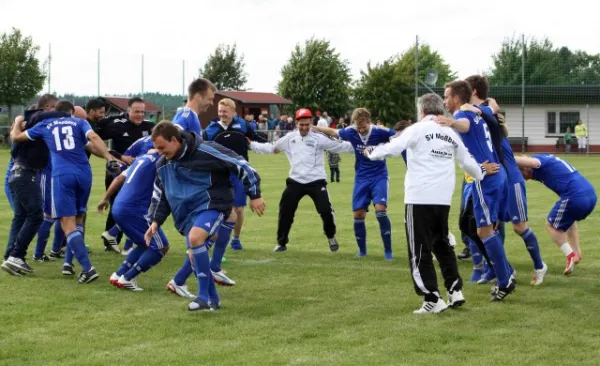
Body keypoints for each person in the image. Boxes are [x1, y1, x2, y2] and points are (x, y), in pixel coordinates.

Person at [364, 93, 497, 313]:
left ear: (422, 110)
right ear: (439, 110)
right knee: (442, 244)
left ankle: (432, 298)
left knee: (419, 249)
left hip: (419, 197)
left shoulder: (416, 129)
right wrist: (483, 170)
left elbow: (392, 147)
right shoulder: (450, 133)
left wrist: (371, 153)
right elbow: (470, 165)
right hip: (442, 198)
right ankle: (455, 290)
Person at [145, 121, 265, 311]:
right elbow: (160, 195)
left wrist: (255, 195)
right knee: (194, 255)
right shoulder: (163, 165)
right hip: (185, 213)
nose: (159, 152)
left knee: (196, 238)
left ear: (174, 140)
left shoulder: (205, 150)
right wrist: (155, 220)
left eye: (162, 147)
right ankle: (213, 300)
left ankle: (202, 297)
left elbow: (241, 165)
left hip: (213, 203)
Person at [8, 101, 117, 283]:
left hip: (62, 174)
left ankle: (87, 268)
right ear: (71, 112)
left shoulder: (45, 124)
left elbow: (17, 137)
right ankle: (69, 263)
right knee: (79, 217)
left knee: (66, 222)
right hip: (84, 173)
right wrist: (108, 158)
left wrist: (18, 121)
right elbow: (94, 140)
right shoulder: (80, 123)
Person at [435, 80, 515, 301]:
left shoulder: (462, 114)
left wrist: (451, 122)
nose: (444, 100)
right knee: (483, 230)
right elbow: (490, 112)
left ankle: (505, 280)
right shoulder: (477, 113)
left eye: (447, 96)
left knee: (484, 231)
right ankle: (505, 275)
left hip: (485, 179)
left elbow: (464, 126)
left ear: (457, 98)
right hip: (495, 175)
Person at [464, 75, 547, 285]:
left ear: (473, 91)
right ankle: (498, 269)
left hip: (510, 177)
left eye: (466, 88)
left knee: (519, 227)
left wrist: (489, 109)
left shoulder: (485, 111)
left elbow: (493, 109)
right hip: (494, 177)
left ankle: (539, 265)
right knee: (489, 226)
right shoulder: (477, 115)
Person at [249, 108, 352, 252]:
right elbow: (271, 148)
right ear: (296, 123)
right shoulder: (289, 138)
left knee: (325, 210)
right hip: (295, 181)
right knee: (285, 211)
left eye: (307, 124)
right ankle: (281, 243)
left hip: (316, 181)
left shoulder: (319, 138)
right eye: (301, 124)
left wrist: (359, 146)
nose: (304, 127)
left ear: (311, 123)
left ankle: (331, 236)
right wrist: (250, 144)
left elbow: (341, 146)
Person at [314, 108, 397, 260]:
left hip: (379, 176)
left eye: (363, 126)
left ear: (369, 122)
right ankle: (362, 251)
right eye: (358, 127)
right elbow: (333, 132)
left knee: (380, 211)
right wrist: (315, 128)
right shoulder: (351, 132)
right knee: (358, 214)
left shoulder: (380, 132)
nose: (361, 130)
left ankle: (388, 251)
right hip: (361, 178)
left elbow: (398, 135)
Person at [202, 98, 267, 284]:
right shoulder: (211, 129)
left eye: (225, 111)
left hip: (238, 173)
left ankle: (235, 239)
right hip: (220, 175)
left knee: (238, 209)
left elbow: (256, 139)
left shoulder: (243, 125)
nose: (222, 113)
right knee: (222, 210)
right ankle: (213, 244)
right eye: (220, 111)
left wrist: (272, 146)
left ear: (233, 111)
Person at [165, 78, 218, 299]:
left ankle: (181, 281)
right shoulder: (186, 115)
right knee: (202, 236)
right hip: (188, 186)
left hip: (193, 184)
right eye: (210, 98)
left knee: (206, 235)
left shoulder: (193, 117)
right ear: (198, 96)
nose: (211, 103)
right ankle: (204, 293)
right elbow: (173, 131)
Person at [1, 95, 57, 275]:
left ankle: (11, 256)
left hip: (17, 174)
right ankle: (17, 256)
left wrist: (18, 122)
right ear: (49, 108)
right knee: (35, 215)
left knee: (20, 216)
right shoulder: (39, 118)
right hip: (26, 174)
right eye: (55, 109)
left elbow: (15, 140)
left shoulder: (28, 123)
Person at [99, 147, 168, 291]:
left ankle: (118, 275)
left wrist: (105, 198)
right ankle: (127, 278)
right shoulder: (161, 161)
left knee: (144, 243)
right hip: (134, 209)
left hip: (119, 207)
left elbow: (119, 178)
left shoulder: (141, 159)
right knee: (160, 246)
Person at [515, 154, 597, 275]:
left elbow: (533, 163)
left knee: (550, 224)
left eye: (521, 175)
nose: (524, 179)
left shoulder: (537, 162)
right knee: (569, 218)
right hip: (590, 194)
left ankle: (570, 254)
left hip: (575, 196)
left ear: (525, 168)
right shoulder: (545, 160)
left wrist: (504, 157)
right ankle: (576, 252)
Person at [97, 97, 155, 253]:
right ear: (128, 111)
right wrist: (120, 156)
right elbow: (98, 143)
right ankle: (112, 241)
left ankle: (121, 240)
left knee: (132, 206)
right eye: (136, 111)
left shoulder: (149, 127)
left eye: (142, 112)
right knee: (119, 205)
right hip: (117, 170)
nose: (140, 115)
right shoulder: (117, 126)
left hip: (138, 173)